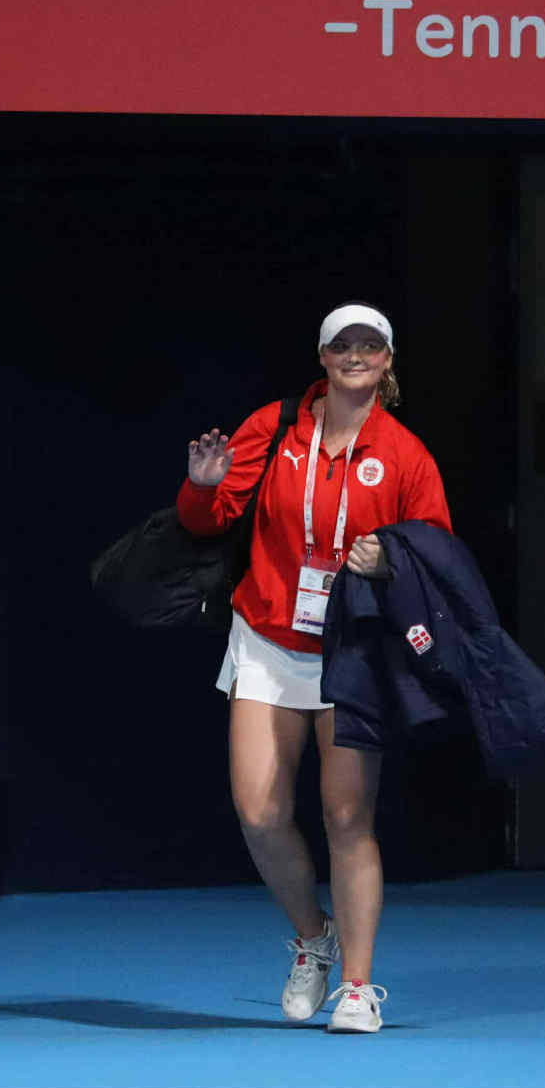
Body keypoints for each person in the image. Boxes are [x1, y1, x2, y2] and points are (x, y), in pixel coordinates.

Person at [178, 302, 451, 1035]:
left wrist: (390, 560)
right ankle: (313, 938)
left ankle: (358, 987)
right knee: (259, 812)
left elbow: (436, 553)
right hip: (267, 637)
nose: (356, 355)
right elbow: (209, 519)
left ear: (387, 360)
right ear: (323, 356)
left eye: (370, 346)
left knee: (346, 815)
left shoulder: (406, 455)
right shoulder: (273, 428)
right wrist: (202, 485)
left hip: (352, 647)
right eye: (342, 345)